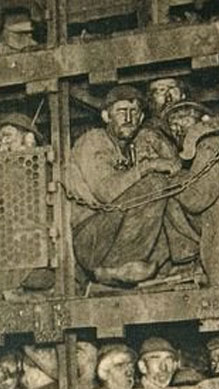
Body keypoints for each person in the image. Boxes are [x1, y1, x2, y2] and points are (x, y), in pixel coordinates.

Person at [68, 85, 198, 286]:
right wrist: (148, 166)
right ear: (106, 116)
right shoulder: (93, 141)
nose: (128, 118)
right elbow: (107, 193)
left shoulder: (127, 148)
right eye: (121, 112)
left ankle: (181, 260)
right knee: (154, 184)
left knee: (168, 187)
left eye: (133, 112)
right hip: (89, 240)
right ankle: (117, 264)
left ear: (140, 118)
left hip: (110, 233)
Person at [164, 101, 219, 286]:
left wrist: (174, 180)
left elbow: (197, 198)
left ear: (203, 121)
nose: (177, 128)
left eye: (184, 119)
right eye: (173, 124)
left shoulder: (207, 147)